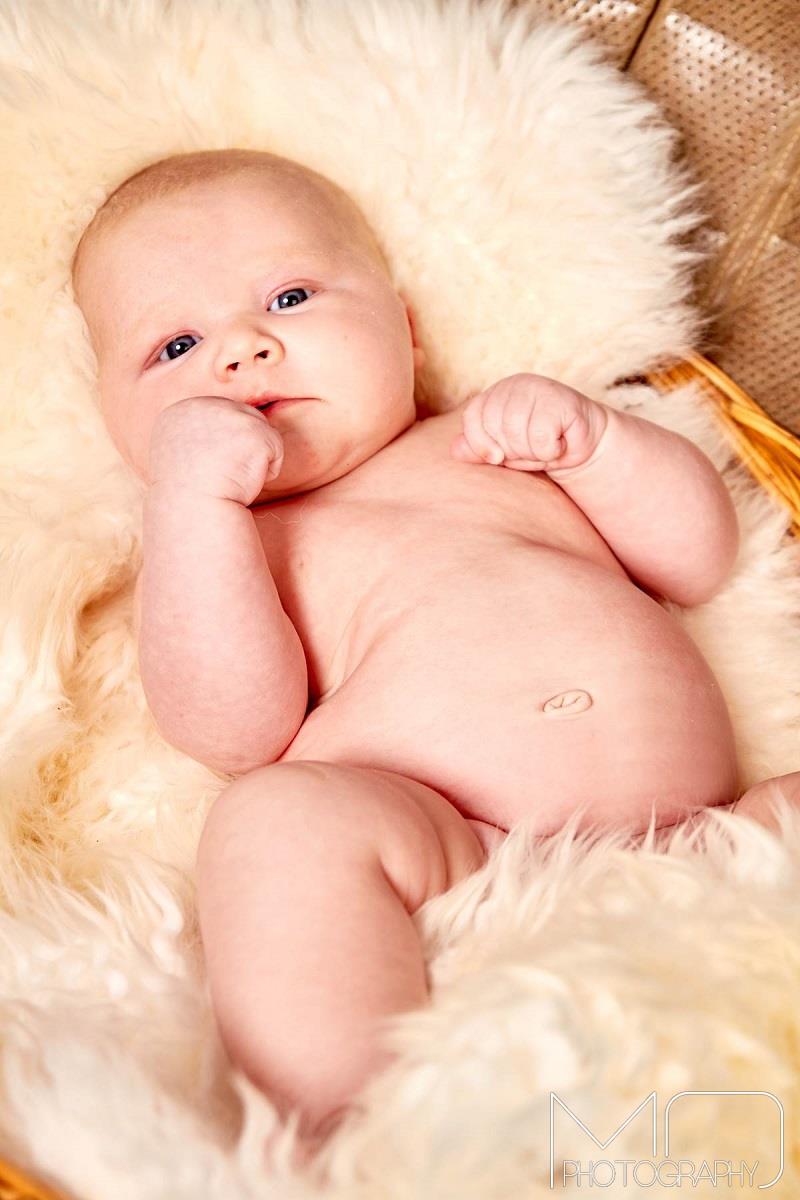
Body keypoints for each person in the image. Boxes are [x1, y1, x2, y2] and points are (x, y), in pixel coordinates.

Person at [70, 147, 800, 1154]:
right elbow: (231, 732)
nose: (240, 351)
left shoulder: (492, 442)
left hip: (709, 839)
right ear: (120, 425)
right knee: (274, 821)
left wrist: (597, 444)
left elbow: (698, 557)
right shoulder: (226, 541)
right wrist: (192, 503)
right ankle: (356, 1130)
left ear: (404, 333)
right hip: (456, 850)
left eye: (288, 297)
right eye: (175, 345)